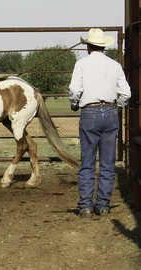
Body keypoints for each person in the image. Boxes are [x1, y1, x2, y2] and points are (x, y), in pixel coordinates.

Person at [69, 28, 131, 218]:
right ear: (104, 45)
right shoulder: (114, 65)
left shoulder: (82, 64)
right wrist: (117, 106)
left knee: (87, 162)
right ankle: (103, 205)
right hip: (111, 112)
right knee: (107, 162)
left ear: (88, 45)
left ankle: (86, 207)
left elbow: (74, 90)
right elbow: (126, 93)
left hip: (90, 111)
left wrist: (75, 104)